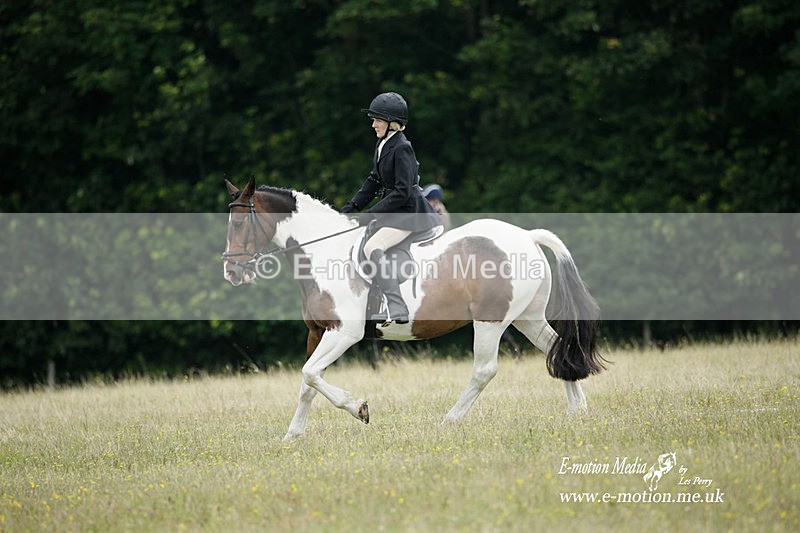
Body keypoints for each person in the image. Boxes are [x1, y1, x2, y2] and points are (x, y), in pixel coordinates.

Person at [341, 92, 442, 325]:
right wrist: (351, 207)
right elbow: (374, 181)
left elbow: (402, 191)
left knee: (372, 246)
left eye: (377, 119)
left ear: (391, 123)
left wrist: (371, 215)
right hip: (396, 211)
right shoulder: (382, 143)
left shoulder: (402, 147)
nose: (373, 123)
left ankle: (397, 305)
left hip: (409, 213)